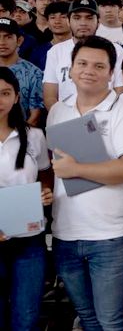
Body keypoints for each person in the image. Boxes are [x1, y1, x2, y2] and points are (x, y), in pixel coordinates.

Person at [46, 35, 123, 330]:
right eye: (82, 64)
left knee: (112, 321)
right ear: (71, 69)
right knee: (88, 319)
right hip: (66, 233)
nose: (89, 70)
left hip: (111, 236)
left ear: (111, 72)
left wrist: (77, 169)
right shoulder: (57, 111)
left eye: (99, 66)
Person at [0, 67, 53, 331]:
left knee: (27, 317)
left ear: (17, 97)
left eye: (5, 93)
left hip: (28, 239)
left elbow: (45, 174)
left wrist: (45, 193)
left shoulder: (34, 136)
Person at [42, 0, 123, 110]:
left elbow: (121, 91)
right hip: (66, 119)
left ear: (98, 21)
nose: (83, 23)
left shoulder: (116, 50)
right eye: (77, 18)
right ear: (68, 21)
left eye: (89, 18)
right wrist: (62, 119)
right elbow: (50, 96)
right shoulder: (55, 51)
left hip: (107, 119)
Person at [0, 17, 43, 125]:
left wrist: (17, 138)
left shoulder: (34, 73)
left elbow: (35, 115)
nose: (2, 42)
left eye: (8, 37)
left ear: (19, 40)